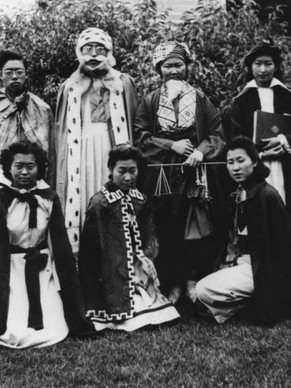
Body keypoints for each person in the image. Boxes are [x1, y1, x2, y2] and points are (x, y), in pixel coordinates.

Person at [134, 41, 225, 304]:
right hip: (162, 177)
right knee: (166, 227)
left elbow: (216, 134)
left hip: (195, 175)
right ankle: (171, 283)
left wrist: (201, 151)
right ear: (159, 69)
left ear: (187, 67)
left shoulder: (201, 98)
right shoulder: (150, 100)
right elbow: (140, 138)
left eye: (178, 64)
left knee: (197, 227)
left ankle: (193, 281)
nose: (173, 70)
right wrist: (170, 144)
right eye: (167, 65)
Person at [0, 141, 95, 348]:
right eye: (19, 166)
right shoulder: (3, 198)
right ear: (8, 167)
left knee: (54, 327)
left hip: (42, 267)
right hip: (10, 269)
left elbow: (59, 244)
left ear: (39, 168)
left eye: (30, 167)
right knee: (13, 328)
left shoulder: (48, 198)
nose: (24, 172)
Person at [55, 27, 138, 256]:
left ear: (109, 53)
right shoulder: (69, 86)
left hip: (111, 148)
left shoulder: (122, 82)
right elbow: (61, 131)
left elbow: (132, 122)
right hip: (79, 150)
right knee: (81, 195)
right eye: (88, 49)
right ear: (79, 53)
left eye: (99, 49)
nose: (93, 55)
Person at [78, 145, 179, 331]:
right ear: (110, 170)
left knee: (157, 311)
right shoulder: (100, 203)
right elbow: (91, 250)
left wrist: (144, 257)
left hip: (137, 266)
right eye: (121, 171)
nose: (127, 177)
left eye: (132, 171)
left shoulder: (140, 199)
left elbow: (149, 236)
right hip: (110, 270)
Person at [196, 136, 291, 325]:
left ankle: (253, 301)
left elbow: (282, 246)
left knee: (203, 289)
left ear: (255, 161)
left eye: (241, 161)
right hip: (243, 261)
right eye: (230, 162)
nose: (235, 168)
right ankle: (247, 300)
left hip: (264, 265)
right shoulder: (241, 191)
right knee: (202, 292)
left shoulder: (267, 195)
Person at [229, 40, 291, 213]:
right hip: (255, 166)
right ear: (251, 67)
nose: (262, 70)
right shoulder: (240, 102)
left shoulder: (287, 96)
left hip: (285, 162)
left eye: (268, 64)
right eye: (258, 64)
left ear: (276, 67)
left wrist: (282, 139)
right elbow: (236, 138)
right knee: (258, 213)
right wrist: (261, 154)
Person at [0, 50, 55, 187]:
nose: (14, 77)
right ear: (1, 76)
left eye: (19, 72)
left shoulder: (42, 109)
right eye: (9, 72)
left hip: (34, 178)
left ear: (26, 75)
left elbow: (52, 152)